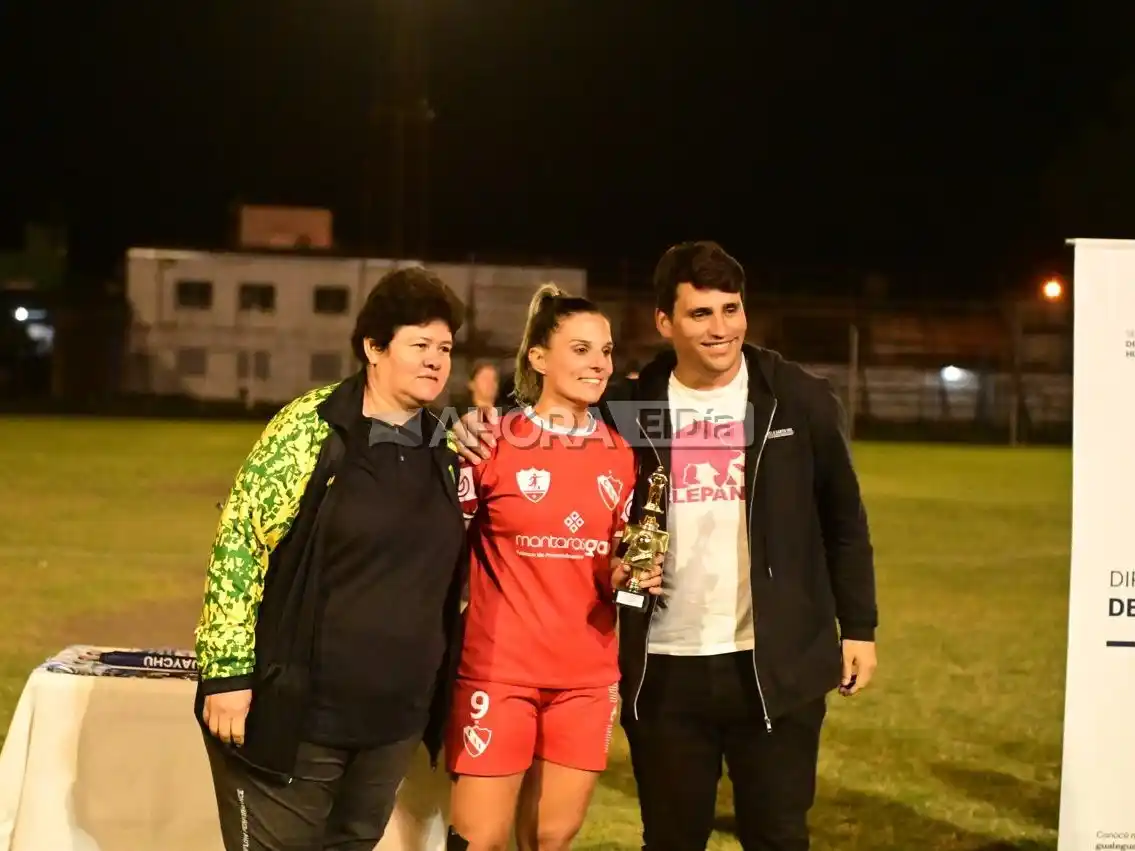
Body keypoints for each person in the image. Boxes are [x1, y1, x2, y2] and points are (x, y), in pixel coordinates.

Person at [452, 241, 878, 851]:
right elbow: (549, 416)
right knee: (672, 839)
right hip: (665, 663)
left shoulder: (796, 399)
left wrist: (858, 625)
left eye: (731, 309)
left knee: (779, 835)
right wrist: (477, 423)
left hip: (775, 662)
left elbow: (843, 517)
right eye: (700, 314)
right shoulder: (630, 405)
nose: (720, 328)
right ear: (664, 322)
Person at [193, 266, 470, 851]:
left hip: (393, 718)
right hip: (301, 714)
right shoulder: (310, 428)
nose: (435, 361)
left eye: (444, 348)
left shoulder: (443, 444)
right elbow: (241, 541)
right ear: (373, 347)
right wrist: (226, 672)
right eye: (419, 345)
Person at [445, 284, 661, 851]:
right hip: (499, 671)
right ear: (538, 358)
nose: (599, 365)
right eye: (582, 349)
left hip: (586, 680)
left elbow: (607, 562)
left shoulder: (621, 453)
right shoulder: (490, 442)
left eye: (607, 351)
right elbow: (440, 549)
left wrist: (626, 578)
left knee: (550, 839)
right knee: (478, 841)